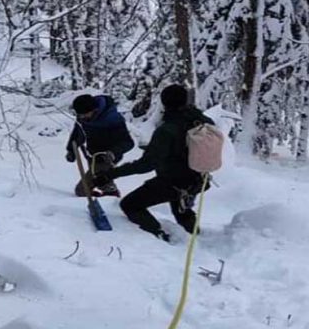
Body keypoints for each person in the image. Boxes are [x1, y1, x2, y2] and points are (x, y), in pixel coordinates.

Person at [92, 84, 215, 241]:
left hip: (173, 182)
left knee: (130, 205)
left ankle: (161, 238)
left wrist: (109, 175)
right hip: (198, 178)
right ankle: (197, 239)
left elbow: (146, 165)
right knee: (181, 210)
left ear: (163, 103)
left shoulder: (168, 129)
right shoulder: (202, 120)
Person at [67, 94, 135, 197]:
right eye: (80, 115)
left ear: (94, 110)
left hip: (107, 158)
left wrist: (112, 152)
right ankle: (107, 196)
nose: (82, 117)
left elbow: (128, 143)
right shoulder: (83, 118)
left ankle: (111, 199)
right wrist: (71, 150)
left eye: (85, 114)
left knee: (86, 188)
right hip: (92, 156)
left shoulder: (113, 119)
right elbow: (77, 134)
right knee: (85, 189)